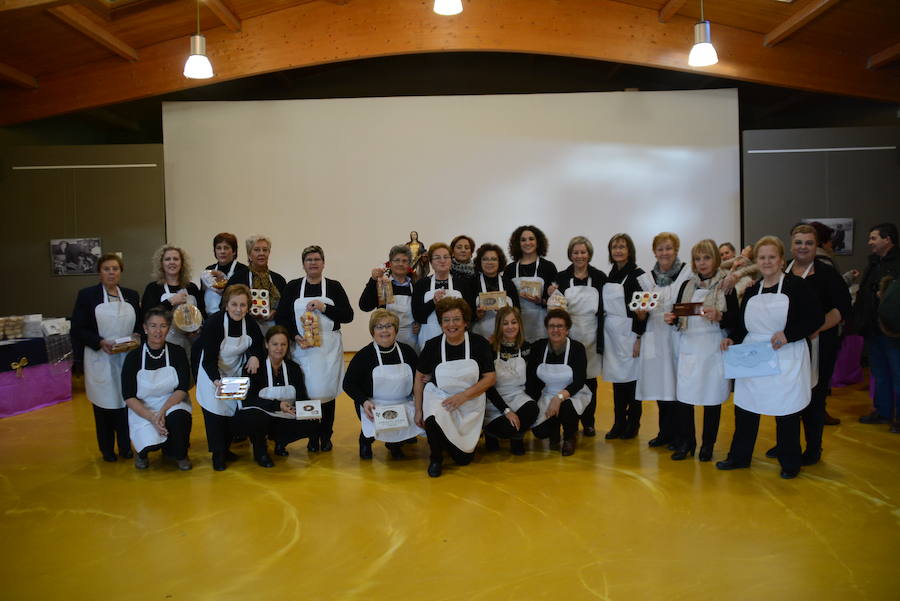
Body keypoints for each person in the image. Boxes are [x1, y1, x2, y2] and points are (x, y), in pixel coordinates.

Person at [719, 236, 824, 479]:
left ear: (781, 260)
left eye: (771, 257)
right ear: (756, 261)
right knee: (746, 408)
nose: (766, 262)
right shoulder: (752, 289)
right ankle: (739, 457)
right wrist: (732, 338)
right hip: (753, 354)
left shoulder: (796, 286)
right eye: (762, 257)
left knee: (786, 410)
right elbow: (743, 326)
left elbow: (815, 318)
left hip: (785, 355)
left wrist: (789, 334)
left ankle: (790, 462)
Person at [765, 224, 851, 463]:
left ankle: (813, 448)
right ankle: (785, 443)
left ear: (816, 246)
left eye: (809, 243)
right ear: (791, 245)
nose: (803, 247)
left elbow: (841, 308)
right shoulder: (782, 270)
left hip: (818, 344)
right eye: (798, 242)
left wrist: (815, 328)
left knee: (814, 397)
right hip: (786, 346)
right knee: (785, 394)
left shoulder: (827, 274)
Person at [664, 239, 738, 462]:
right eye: (698, 259)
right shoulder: (687, 286)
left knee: (711, 398)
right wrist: (671, 319)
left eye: (707, 258)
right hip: (689, 346)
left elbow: (737, 318)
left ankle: (708, 445)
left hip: (713, 347)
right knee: (685, 398)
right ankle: (686, 443)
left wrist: (720, 316)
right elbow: (679, 316)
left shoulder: (726, 285)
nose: (702, 263)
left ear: (716, 259)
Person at [276, 245, 353, 452]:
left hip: (328, 349)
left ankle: (326, 435)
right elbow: (282, 317)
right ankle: (311, 435)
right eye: (309, 260)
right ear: (303, 264)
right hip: (302, 348)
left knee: (326, 393)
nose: (313, 263)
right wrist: (295, 336)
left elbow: (348, 315)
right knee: (306, 393)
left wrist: (324, 307)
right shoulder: (293, 287)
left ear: (323, 263)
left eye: (317, 259)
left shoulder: (334, 287)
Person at [71, 253, 141, 462]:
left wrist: (137, 336)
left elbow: (139, 325)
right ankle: (107, 449)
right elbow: (78, 329)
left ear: (120, 272)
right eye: (106, 269)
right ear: (99, 273)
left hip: (126, 357)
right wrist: (100, 342)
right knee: (104, 406)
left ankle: (126, 446)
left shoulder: (131, 295)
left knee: (126, 402)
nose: (111, 273)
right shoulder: (87, 296)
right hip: (100, 358)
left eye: (115, 269)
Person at [414, 297, 496, 477]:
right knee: (432, 417)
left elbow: (490, 378)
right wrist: (418, 410)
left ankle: (450, 445)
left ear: (466, 322)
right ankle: (436, 458)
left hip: (469, 402)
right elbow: (419, 377)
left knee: (463, 459)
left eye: (457, 319)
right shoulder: (432, 345)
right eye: (446, 320)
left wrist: (464, 396)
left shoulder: (479, 343)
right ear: (441, 323)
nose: (451, 325)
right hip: (441, 399)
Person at [195, 284, 265, 471]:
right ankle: (218, 455)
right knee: (215, 414)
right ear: (226, 304)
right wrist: (217, 380)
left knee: (231, 413)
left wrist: (254, 356)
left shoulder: (250, 324)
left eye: (243, 305)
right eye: (234, 304)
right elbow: (208, 359)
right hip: (212, 374)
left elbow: (258, 345)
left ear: (248, 307)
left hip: (234, 372)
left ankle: (226, 449)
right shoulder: (214, 324)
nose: (238, 309)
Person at [633, 232, 691, 449]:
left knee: (677, 388)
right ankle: (665, 433)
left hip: (676, 337)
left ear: (676, 250)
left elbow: (689, 305)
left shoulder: (687, 274)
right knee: (660, 386)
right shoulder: (647, 280)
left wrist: (676, 316)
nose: (664, 253)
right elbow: (641, 317)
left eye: (668, 248)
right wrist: (640, 315)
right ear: (654, 252)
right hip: (654, 338)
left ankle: (680, 436)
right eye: (660, 249)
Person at [343, 310, 423, 460]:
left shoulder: (407, 352)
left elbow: (419, 379)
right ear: (372, 331)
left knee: (410, 416)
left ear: (396, 329)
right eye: (379, 327)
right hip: (374, 404)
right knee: (373, 426)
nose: (384, 330)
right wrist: (364, 401)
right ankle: (366, 440)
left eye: (389, 326)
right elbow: (348, 384)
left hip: (403, 402)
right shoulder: (364, 355)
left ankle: (395, 444)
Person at [236, 325, 318, 467]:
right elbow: (248, 400)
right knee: (256, 418)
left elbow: (301, 396)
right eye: (275, 344)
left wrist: (308, 410)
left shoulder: (293, 368)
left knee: (312, 422)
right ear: (267, 344)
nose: (279, 348)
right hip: (259, 414)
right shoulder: (254, 367)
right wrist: (277, 405)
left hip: (283, 414)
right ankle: (260, 451)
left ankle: (281, 442)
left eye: (283, 344)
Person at [122, 307, 193, 470]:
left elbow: (182, 388)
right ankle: (142, 453)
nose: (158, 331)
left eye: (163, 326)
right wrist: (152, 417)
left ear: (168, 328)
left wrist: (162, 411)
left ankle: (180, 454)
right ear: (145, 328)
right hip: (143, 407)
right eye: (153, 326)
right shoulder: (133, 357)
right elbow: (128, 396)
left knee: (179, 418)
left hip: (171, 403)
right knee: (149, 443)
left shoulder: (177, 352)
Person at [551, 236, 607, 437]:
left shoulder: (599, 277)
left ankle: (589, 422)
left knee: (590, 381)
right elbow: (554, 306)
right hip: (569, 334)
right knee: (570, 379)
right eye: (575, 252)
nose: (579, 256)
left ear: (589, 254)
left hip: (592, 334)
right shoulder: (561, 277)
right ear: (570, 255)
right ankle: (569, 422)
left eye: (583, 252)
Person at [526, 309, 592, 456]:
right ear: (547, 329)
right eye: (552, 326)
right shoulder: (538, 347)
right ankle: (553, 431)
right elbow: (532, 379)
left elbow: (579, 381)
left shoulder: (577, 348)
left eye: (560, 326)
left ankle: (569, 437)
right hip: (547, 393)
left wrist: (559, 397)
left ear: (567, 330)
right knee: (540, 431)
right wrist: (532, 403)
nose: (555, 330)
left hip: (573, 393)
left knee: (567, 408)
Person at [852, 223, 899, 429]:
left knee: (897, 373)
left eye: (873, 238)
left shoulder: (897, 264)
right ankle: (883, 412)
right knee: (880, 374)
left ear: (887, 239)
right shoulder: (873, 262)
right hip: (873, 327)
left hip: (893, 330)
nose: (869, 242)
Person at [602, 233, 647, 440]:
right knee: (617, 383)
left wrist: (639, 337)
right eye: (614, 247)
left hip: (630, 334)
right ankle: (618, 422)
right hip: (612, 336)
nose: (618, 250)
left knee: (632, 383)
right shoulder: (611, 274)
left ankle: (633, 423)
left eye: (622, 247)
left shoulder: (639, 276)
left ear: (630, 251)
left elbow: (644, 311)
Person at [482, 306, 538, 455]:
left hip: (518, 396)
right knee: (506, 427)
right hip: (494, 400)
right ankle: (490, 433)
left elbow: (532, 380)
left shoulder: (526, 348)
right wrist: (506, 410)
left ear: (519, 324)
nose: (510, 327)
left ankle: (517, 437)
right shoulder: (490, 349)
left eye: (514, 322)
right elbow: (487, 387)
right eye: (505, 323)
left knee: (533, 410)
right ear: (498, 326)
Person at [141, 244, 205, 359]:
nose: (172, 262)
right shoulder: (153, 288)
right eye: (167, 259)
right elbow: (147, 316)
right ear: (161, 263)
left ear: (182, 263)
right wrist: (170, 302)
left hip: (190, 343)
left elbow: (202, 315)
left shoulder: (192, 288)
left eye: (176, 259)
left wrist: (197, 330)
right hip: (164, 343)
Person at [412, 242, 476, 348]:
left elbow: (471, 314)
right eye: (437, 257)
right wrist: (433, 302)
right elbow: (417, 316)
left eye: (446, 257)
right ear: (431, 262)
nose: (442, 261)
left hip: (458, 336)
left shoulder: (462, 284)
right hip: (429, 336)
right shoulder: (421, 284)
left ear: (451, 260)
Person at [503, 225, 558, 343]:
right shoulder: (510, 269)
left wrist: (542, 301)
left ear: (538, 242)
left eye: (531, 239)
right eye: (523, 240)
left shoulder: (548, 267)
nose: (527, 243)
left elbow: (556, 301)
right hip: (515, 324)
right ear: (518, 244)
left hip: (541, 324)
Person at [358, 245, 419, 350]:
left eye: (404, 261)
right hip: (385, 335)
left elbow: (420, 310)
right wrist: (373, 280)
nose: (400, 264)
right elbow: (364, 306)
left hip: (410, 337)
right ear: (390, 263)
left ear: (409, 264)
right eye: (397, 260)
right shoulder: (381, 283)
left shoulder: (416, 286)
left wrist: (419, 323)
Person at [227, 235, 286, 335]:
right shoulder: (237, 278)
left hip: (274, 331)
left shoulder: (279, 280)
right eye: (257, 250)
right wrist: (246, 311)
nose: (261, 253)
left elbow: (286, 306)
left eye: (265, 250)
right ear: (249, 254)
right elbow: (226, 305)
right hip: (245, 329)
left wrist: (275, 312)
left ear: (269, 253)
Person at [471, 243, 520, 339]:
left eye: (494, 259)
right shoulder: (472, 283)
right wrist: (477, 315)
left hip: (506, 336)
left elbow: (518, 312)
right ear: (480, 262)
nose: (489, 262)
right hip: (479, 337)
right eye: (485, 259)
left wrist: (507, 311)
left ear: (499, 262)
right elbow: (465, 315)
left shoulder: (508, 284)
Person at [200, 232, 249, 316]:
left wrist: (224, 283)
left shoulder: (243, 270)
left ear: (234, 251)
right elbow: (201, 297)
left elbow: (244, 298)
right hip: (209, 318)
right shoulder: (209, 271)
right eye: (218, 248)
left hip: (233, 317)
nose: (222, 251)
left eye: (226, 248)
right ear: (215, 251)